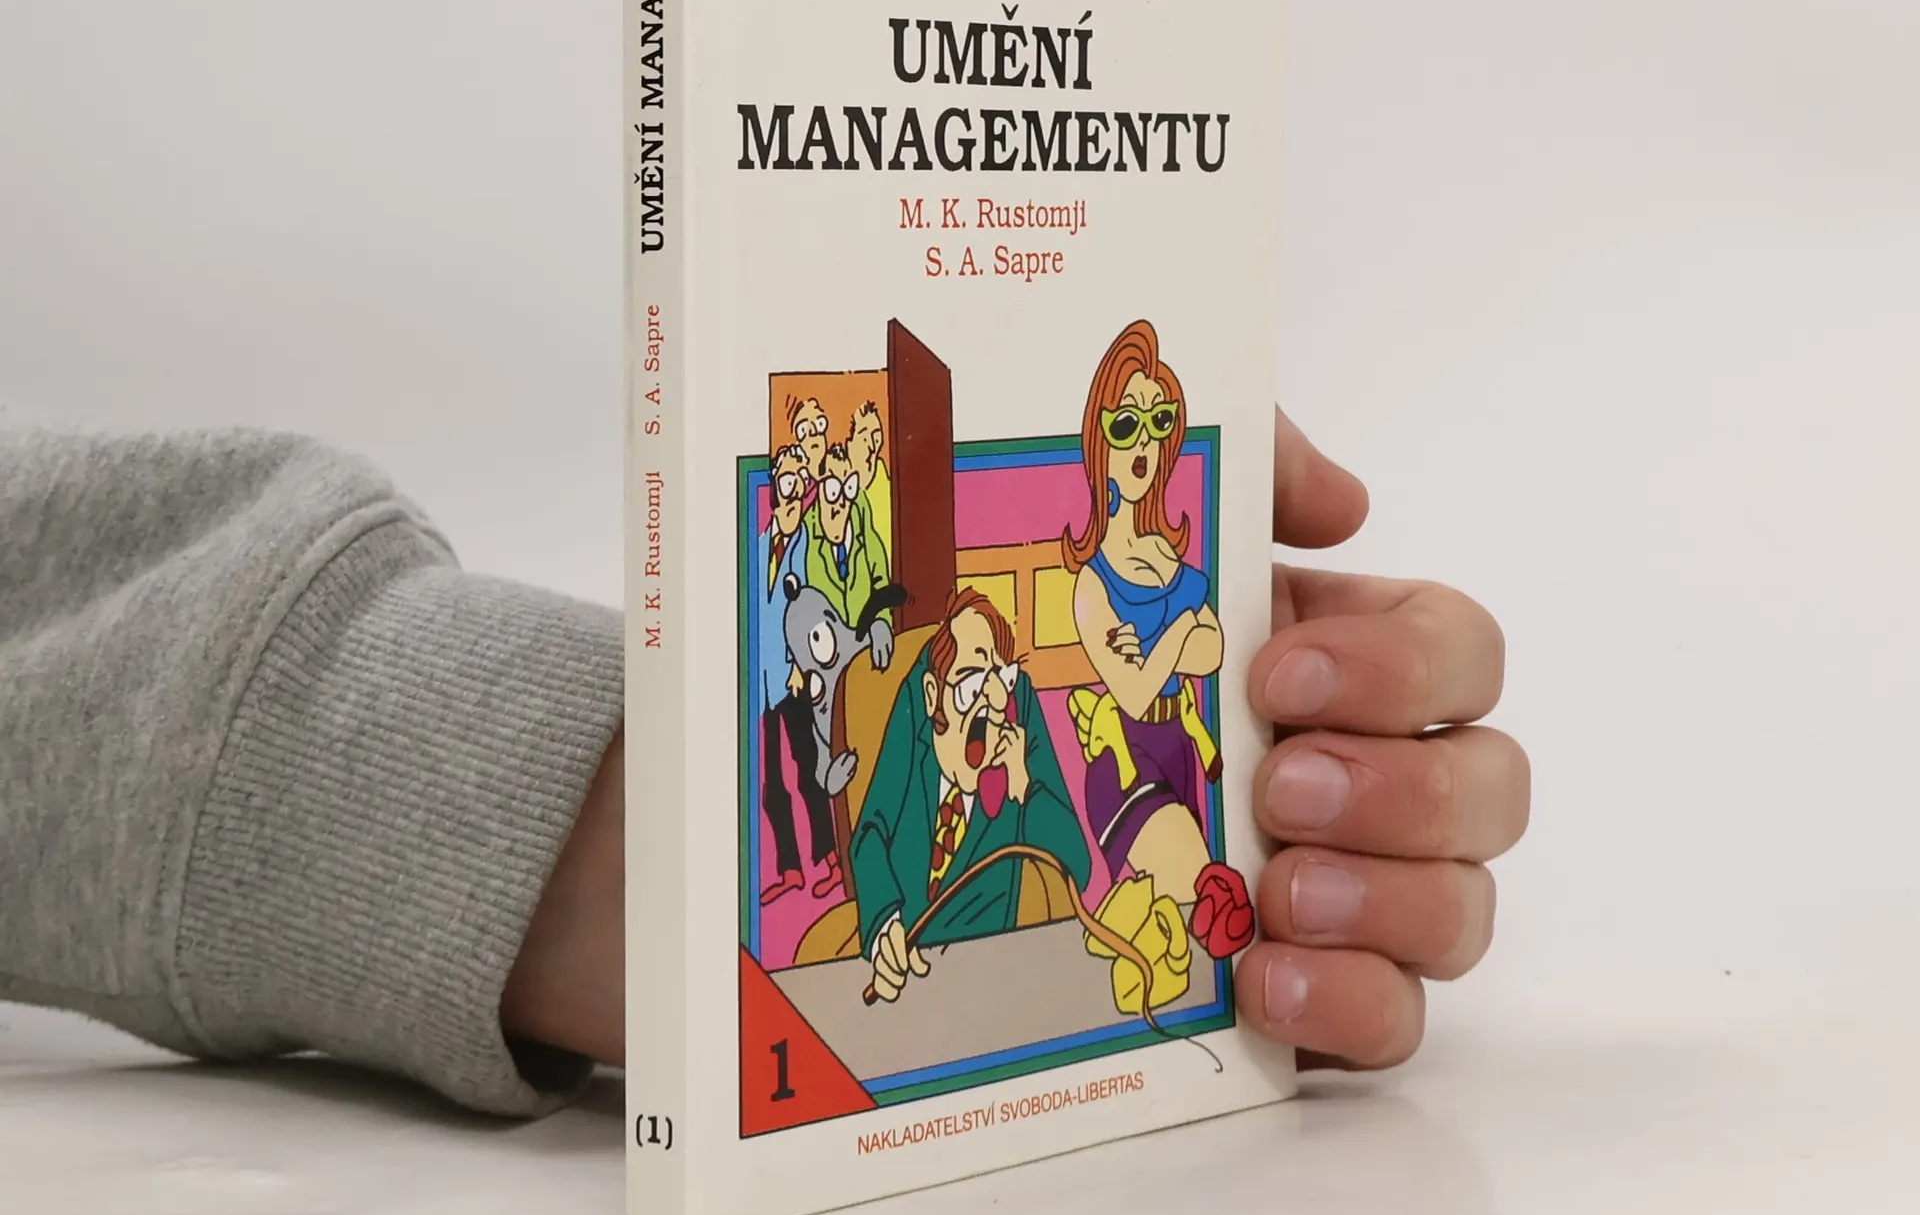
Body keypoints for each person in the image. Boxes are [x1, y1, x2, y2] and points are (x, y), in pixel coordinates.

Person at [0, 403, 1528, 1114]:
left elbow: (1053, 814)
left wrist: (558, 820)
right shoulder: (908, 715)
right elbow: (893, 814)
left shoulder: (1019, 730)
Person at [1064, 319, 1253, 956]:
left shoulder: (1174, 560)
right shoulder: (1091, 585)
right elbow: (1136, 694)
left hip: (1180, 749)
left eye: (1159, 421)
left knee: (1172, 913)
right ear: (1100, 443)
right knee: (1204, 887)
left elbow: (1214, 651)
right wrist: (1178, 633)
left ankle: (1124, 931)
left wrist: (1152, 648)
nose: (1144, 441)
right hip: (1124, 760)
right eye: (1126, 425)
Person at [849, 588, 1092, 1004]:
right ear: (934, 695)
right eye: (971, 683)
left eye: (1000, 679)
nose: (991, 701)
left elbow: (1077, 865)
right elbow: (870, 831)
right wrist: (885, 926)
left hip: (986, 976)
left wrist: (1024, 787)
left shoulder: (1018, 706)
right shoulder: (917, 702)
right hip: (906, 974)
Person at [754, 444, 836, 905]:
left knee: (809, 769)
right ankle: (789, 867)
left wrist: (802, 666)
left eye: (798, 481)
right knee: (772, 781)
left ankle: (829, 859)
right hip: (763, 682)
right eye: (785, 479)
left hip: (795, 676)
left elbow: (810, 610)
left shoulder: (807, 543)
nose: (791, 490)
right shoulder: (759, 544)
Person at [802, 440, 890, 633]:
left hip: (865, 642)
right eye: (833, 490)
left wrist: (881, 623)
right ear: (820, 488)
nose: (841, 502)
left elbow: (881, 580)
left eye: (848, 488)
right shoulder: (806, 533)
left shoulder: (862, 520)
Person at [845, 399, 892, 565]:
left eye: (876, 434)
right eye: (863, 435)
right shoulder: (838, 490)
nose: (872, 445)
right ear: (849, 443)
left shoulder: (886, 484)